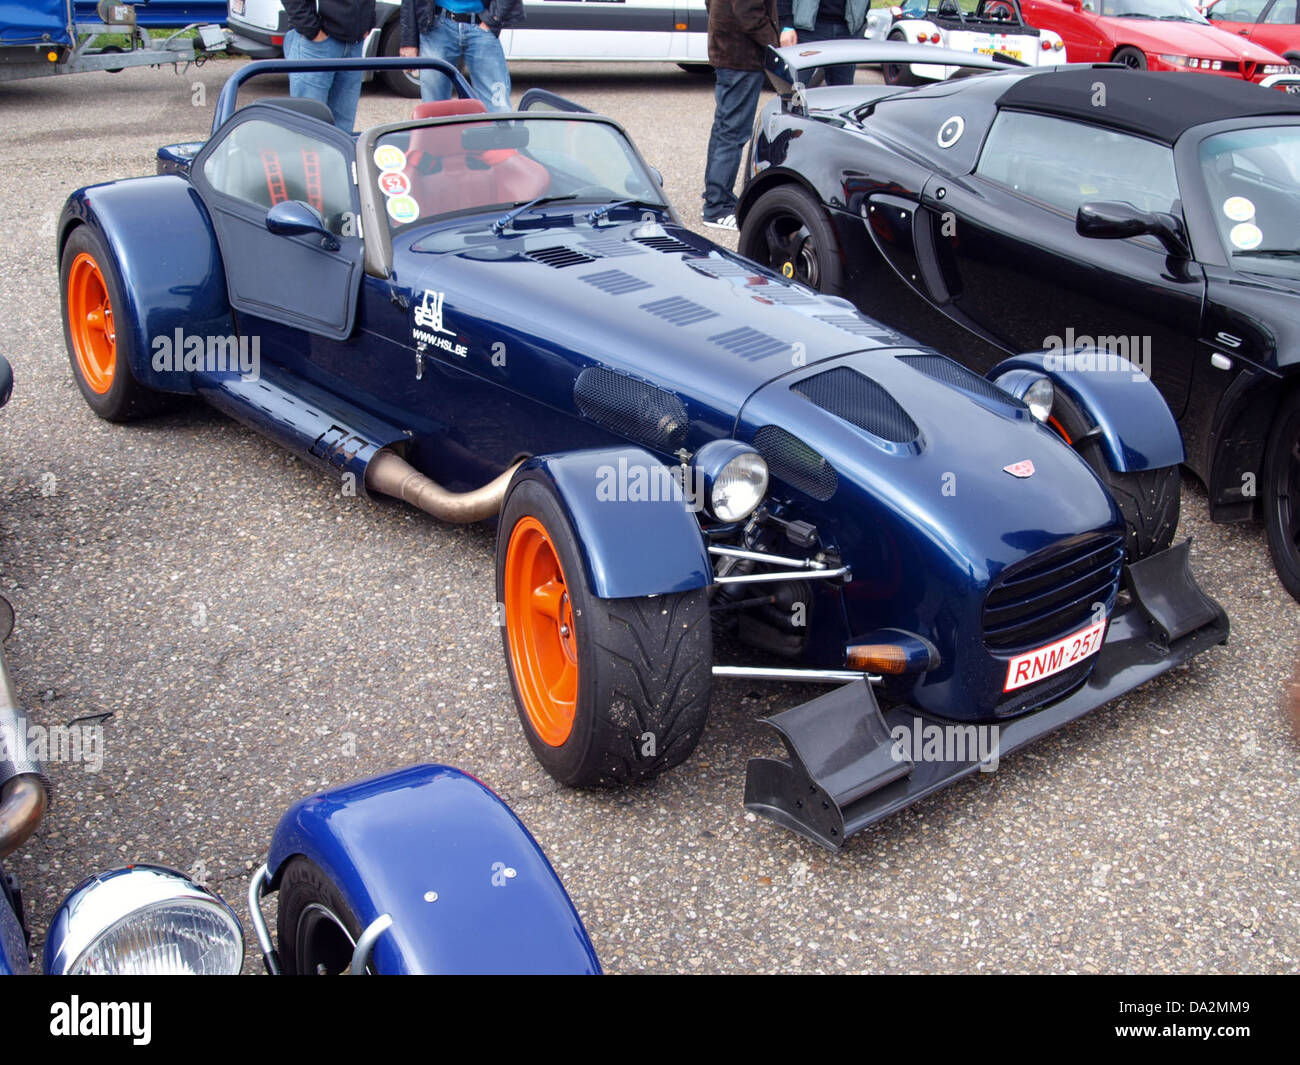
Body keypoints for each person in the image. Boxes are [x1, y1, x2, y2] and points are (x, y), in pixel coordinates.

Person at [701, 0, 789, 231]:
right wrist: (775, 45)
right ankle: (716, 206)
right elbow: (748, 13)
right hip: (741, 56)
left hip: (730, 51)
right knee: (732, 132)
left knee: (724, 129)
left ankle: (717, 197)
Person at [399, 0, 523, 113]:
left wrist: (493, 18)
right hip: (436, 28)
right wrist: (408, 41)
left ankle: (499, 138)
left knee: (498, 108)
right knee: (434, 110)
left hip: (481, 26)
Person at [282, 0, 376, 131]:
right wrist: (312, 30)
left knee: (343, 132)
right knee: (308, 129)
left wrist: (369, 21)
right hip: (315, 44)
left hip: (354, 44)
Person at [776, 0, 871, 86]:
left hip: (847, 31)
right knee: (794, 90)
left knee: (843, 93)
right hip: (807, 31)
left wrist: (860, 18)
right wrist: (786, 24)